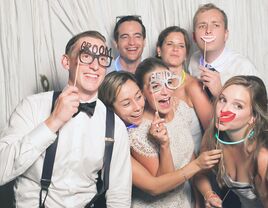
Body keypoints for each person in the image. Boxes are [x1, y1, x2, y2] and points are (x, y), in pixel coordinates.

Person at [0, 31, 132, 207]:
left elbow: (119, 195)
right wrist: (53, 122)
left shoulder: (115, 125)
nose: (95, 65)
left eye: (101, 58)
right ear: (66, 62)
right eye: (86, 56)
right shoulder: (31, 106)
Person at [98, 70, 222, 205]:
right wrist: (197, 164)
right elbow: (156, 187)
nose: (137, 107)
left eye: (138, 97)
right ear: (110, 108)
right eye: (126, 104)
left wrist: (208, 195)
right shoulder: (118, 140)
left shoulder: (161, 121)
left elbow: (189, 163)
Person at [195, 75, 268, 208]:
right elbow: (200, 171)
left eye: (238, 106)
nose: (223, 110)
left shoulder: (263, 158)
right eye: (223, 99)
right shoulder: (213, 135)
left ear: (254, 117)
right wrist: (209, 194)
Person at [156, 26, 213, 155]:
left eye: (181, 46)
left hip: (193, 161)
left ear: (186, 54)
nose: (175, 49)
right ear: (159, 50)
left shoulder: (193, 86)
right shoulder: (152, 86)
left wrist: (200, 167)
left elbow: (211, 130)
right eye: (170, 44)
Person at [189, 3, 261, 98]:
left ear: (225, 35)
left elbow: (261, 108)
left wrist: (220, 93)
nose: (208, 31)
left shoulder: (244, 68)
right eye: (202, 26)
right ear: (194, 37)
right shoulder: (193, 61)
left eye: (215, 25)